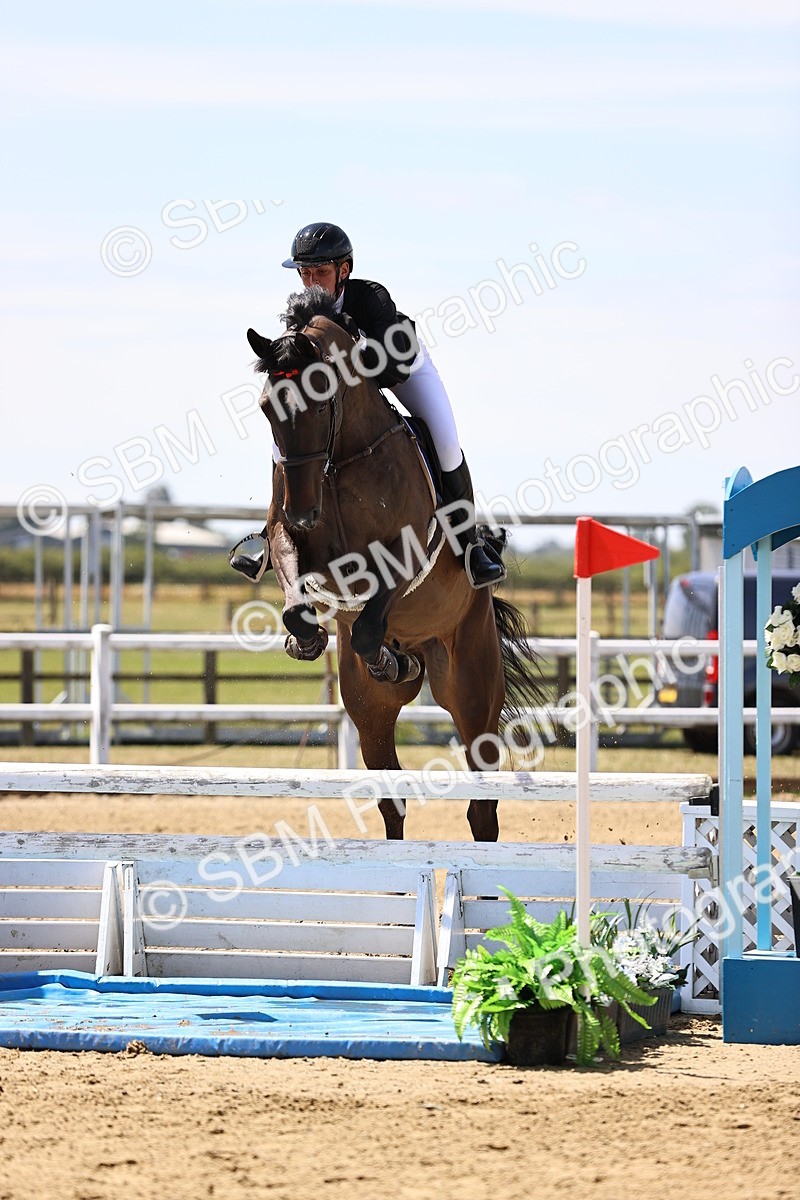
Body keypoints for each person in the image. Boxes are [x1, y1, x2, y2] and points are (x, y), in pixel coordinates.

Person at [230, 222, 505, 589]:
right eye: (305, 273)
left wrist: (354, 345)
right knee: (287, 432)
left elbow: (392, 371)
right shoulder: (301, 315)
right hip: (350, 390)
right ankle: (273, 533)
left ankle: (471, 545)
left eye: (320, 272)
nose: (311, 282)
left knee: (445, 443)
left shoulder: (371, 298)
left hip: (404, 369)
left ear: (343, 270)